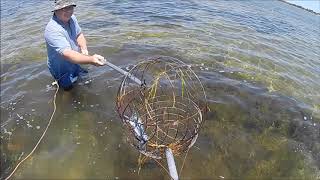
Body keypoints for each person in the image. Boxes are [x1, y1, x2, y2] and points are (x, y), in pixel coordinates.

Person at [45, 0, 106, 90]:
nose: (69, 11)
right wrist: (91, 59)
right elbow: (67, 54)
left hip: (75, 61)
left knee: (86, 81)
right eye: (65, 8)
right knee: (68, 90)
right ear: (56, 10)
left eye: (71, 7)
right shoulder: (52, 30)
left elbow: (79, 34)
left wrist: (84, 49)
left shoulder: (72, 18)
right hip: (61, 69)